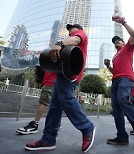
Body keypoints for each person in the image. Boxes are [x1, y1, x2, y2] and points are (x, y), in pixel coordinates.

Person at [25, 24, 95, 153]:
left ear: (78, 29)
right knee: (55, 107)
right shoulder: (69, 40)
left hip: (70, 74)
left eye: (71, 29)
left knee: (66, 98)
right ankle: (48, 140)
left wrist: (59, 43)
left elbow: (76, 40)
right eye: (68, 30)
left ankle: (87, 127)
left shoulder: (80, 34)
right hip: (61, 74)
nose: (69, 32)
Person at [104, 15, 134, 149]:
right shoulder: (114, 56)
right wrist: (108, 66)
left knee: (122, 100)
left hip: (126, 79)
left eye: (118, 40)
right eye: (114, 41)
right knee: (116, 108)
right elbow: (115, 72)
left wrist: (123, 22)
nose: (116, 41)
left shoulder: (127, 48)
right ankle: (122, 137)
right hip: (116, 81)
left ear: (124, 42)